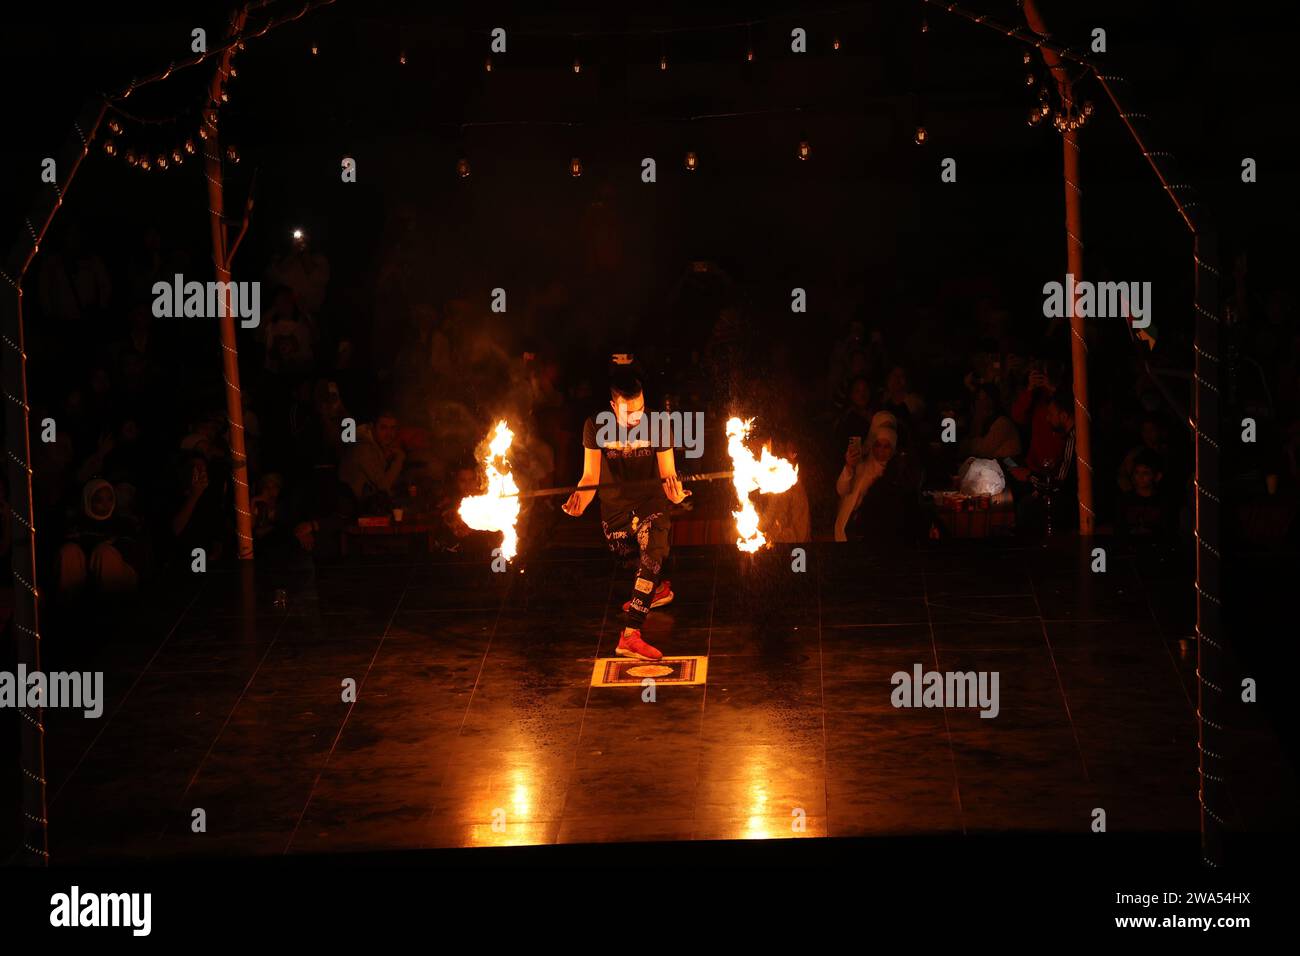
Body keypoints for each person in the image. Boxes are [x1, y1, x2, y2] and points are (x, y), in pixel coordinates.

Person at [562, 368, 690, 661]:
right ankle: (654, 588)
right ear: (612, 408)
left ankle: (630, 635)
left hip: (650, 502)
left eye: (640, 410)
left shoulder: (658, 425)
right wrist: (579, 500)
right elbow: (589, 477)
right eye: (628, 413)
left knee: (653, 553)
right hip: (616, 509)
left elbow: (669, 474)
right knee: (634, 564)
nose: (636, 419)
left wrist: (676, 493)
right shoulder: (595, 427)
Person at [834, 411, 919, 542]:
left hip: (878, 532)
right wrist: (849, 467)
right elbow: (842, 490)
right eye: (878, 445)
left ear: (893, 448)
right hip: (850, 527)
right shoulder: (861, 464)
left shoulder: (897, 472)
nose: (881, 451)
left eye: (886, 447)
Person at [58, 479, 141, 596]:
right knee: (69, 551)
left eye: (109, 499)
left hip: (120, 577)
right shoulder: (76, 524)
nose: (106, 505)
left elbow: (130, 550)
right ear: (88, 500)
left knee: (104, 553)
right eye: (99, 500)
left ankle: (114, 606)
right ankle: (70, 603)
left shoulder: (123, 524)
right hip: (86, 575)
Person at [340, 410, 406, 511]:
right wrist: (399, 459)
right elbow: (384, 487)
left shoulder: (375, 446)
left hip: (361, 508)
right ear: (372, 427)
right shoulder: (363, 447)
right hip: (350, 512)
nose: (389, 434)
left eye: (393, 428)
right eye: (383, 428)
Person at [962, 382, 1022, 460]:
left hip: (1010, 465)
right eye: (979, 399)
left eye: (985, 398)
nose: (981, 403)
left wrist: (967, 444)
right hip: (995, 464)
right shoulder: (983, 420)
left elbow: (984, 451)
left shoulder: (1002, 422)